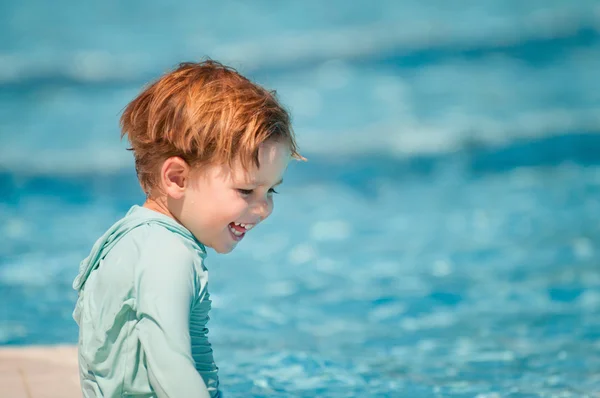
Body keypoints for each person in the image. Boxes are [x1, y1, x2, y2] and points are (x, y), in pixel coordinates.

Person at [72, 60, 304, 397]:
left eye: (271, 190)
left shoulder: (128, 237)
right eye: (246, 190)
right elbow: (170, 366)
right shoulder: (170, 256)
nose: (264, 208)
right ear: (177, 178)